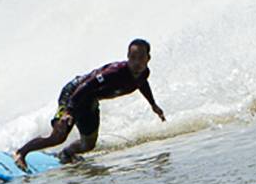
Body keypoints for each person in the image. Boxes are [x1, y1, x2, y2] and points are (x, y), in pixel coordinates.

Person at [15, 38, 166, 170]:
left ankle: (66, 154)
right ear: (127, 56)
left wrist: (153, 104)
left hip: (90, 102)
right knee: (58, 136)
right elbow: (86, 85)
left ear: (148, 58)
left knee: (88, 145)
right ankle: (21, 153)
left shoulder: (143, 72)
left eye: (141, 58)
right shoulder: (114, 72)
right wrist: (68, 111)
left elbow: (142, 83)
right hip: (73, 94)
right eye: (133, 57)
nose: (136, 62)